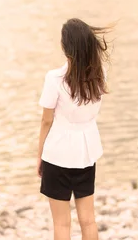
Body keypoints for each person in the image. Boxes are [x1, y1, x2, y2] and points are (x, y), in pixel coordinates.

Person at [37, 18, 110, 240]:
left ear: (65, 46)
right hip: (86, 152)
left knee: (61, 224)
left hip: (57, 153)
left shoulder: (55, 78)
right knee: (88, 220)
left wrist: (39, 155)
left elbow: (46, 121)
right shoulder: (99, 75)